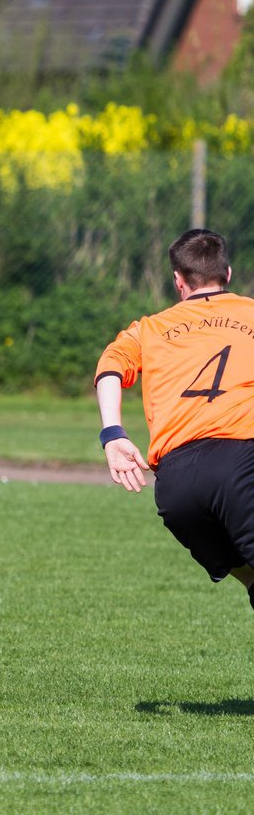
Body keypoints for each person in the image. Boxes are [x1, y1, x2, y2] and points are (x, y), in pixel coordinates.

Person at [96, 227, 254, 607]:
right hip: (243, 462)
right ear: (228, 274)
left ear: (178, 280)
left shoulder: (149, 328)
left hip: (177, 485)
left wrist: (113, 433)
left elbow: (109, 367)